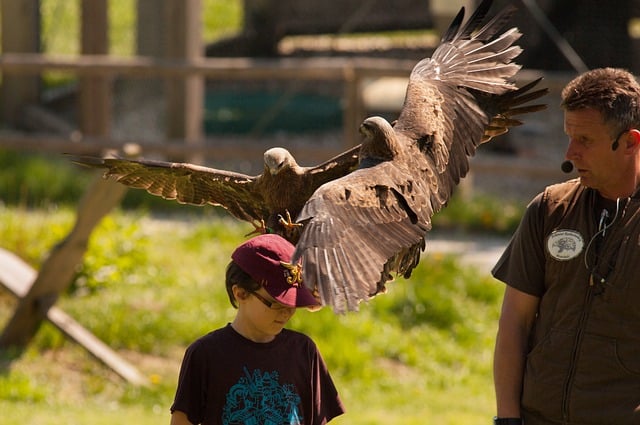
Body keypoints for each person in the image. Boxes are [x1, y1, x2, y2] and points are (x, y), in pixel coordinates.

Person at [492, 67, 640, 425]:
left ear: (631, 142)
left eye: (585, 140)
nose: (570, 153)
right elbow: (514, 322)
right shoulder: (549, 209)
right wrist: (508, 420)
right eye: (569, 137)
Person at [170, 233, 345, 425]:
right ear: (241, 293)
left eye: (293, 303)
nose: (286, 313)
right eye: (276, 303)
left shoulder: (304, 352)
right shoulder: (205, 354)